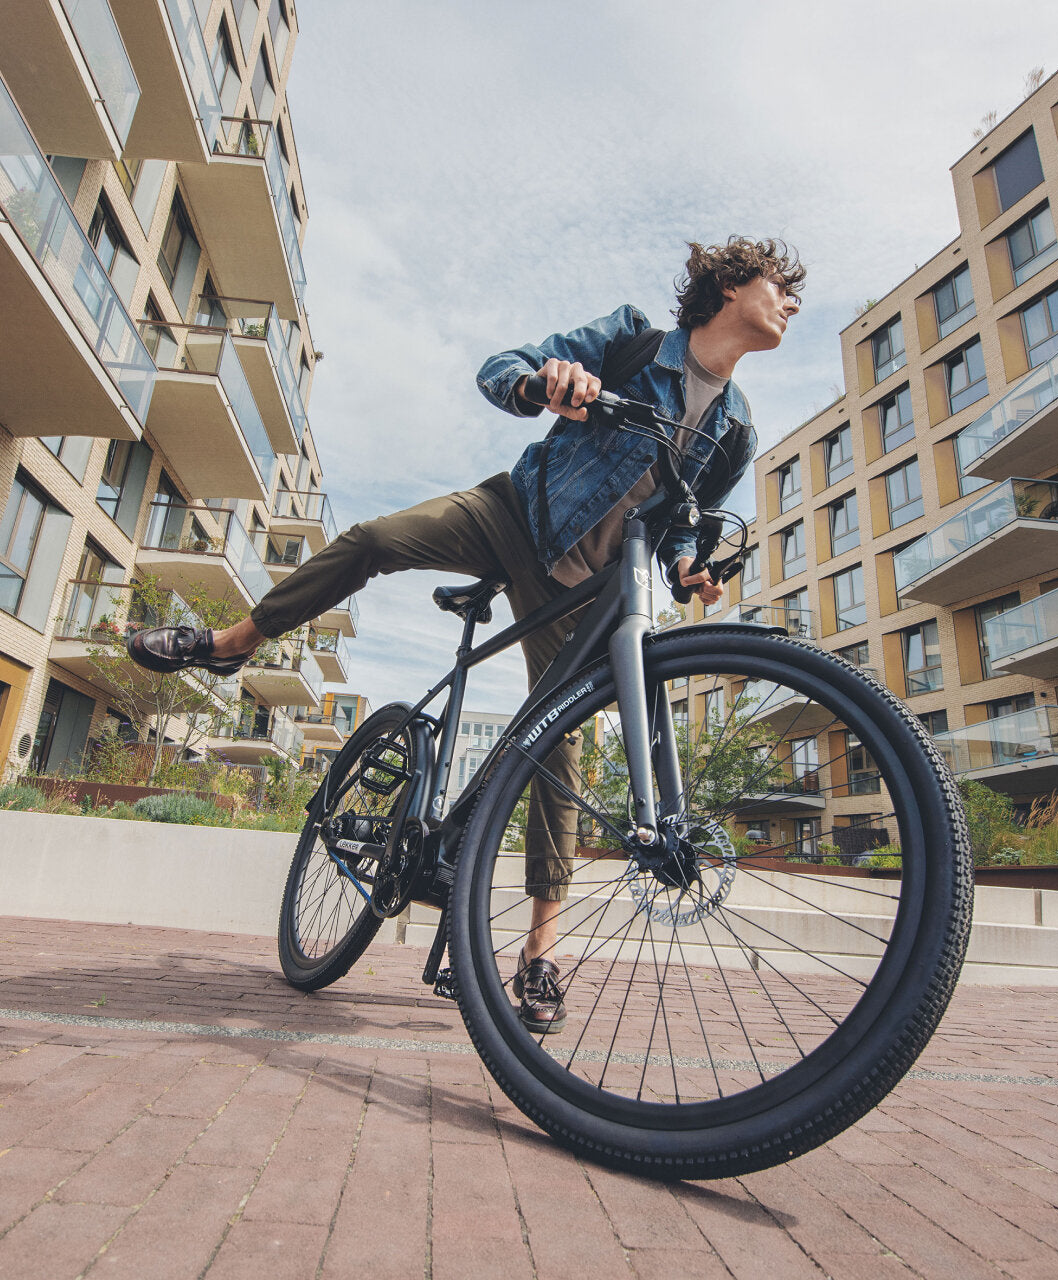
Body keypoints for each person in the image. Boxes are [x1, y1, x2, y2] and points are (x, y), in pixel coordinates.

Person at [128, 236, 805, 1032]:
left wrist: (691, 568)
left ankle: (539, 953)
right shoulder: (634, 341)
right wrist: (541, 384)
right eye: (779, 287)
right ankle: (235, 639)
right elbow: (504, 365)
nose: (790, 304)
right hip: (515, 518)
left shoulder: (734, 429)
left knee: (558, 751)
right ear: (729, 285)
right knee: (379, 540)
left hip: (591, 591)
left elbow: (684, 528)